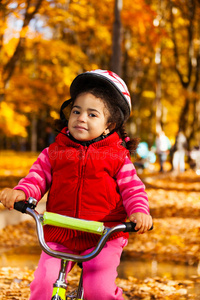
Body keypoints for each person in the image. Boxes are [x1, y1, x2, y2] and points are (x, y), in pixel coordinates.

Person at [0, 69, 152, 300]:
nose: (81, 117)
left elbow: (133, 190)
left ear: (109, 125)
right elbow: (37, 178)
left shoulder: (118, 157)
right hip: (60, 232)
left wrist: (139, 212)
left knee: (98, 290)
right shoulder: (54, 153)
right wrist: (22, 192)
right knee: (43, 284)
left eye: (92, 115)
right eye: (77, 111)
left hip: (103, 234)